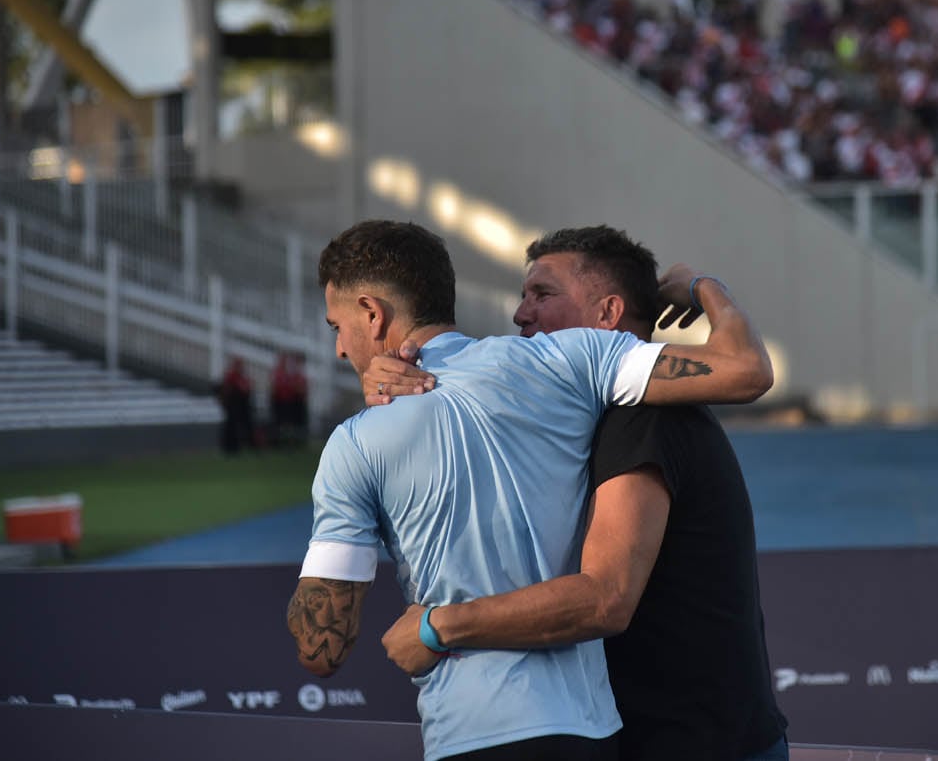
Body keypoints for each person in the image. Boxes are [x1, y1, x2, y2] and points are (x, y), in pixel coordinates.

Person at [286, 220, 774, 761]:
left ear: (372, 313)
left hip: (526, 734)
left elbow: (320, 650)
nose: (521, 312)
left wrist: (433, 625)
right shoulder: (567, 366)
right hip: (599, 733)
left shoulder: (356, 441)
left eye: (542, 294)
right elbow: (744, 367)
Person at [217, 357, 255, 454]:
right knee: (231, 427)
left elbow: (247, 389)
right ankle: (230, 447)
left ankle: (240, 446)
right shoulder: (231, 376)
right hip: (233, 406)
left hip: (240, 406)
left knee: (240, 426)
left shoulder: (240, 377)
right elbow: (227, 390)